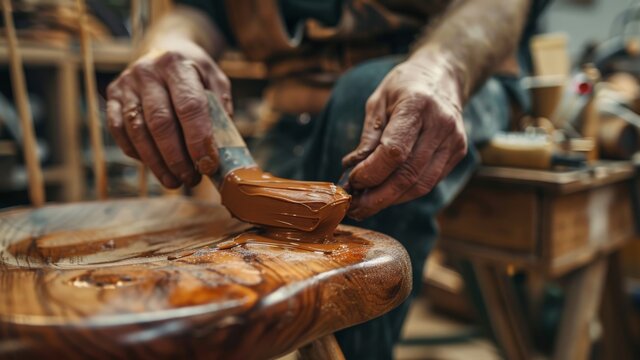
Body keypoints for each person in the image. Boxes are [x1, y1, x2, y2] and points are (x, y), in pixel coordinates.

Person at [106, 1, 549, 358]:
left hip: (449, 74)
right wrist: (167, 46)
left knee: (360, 103)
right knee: (253, 279)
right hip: (292, 100)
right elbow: (198, 9)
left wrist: (443, 68)